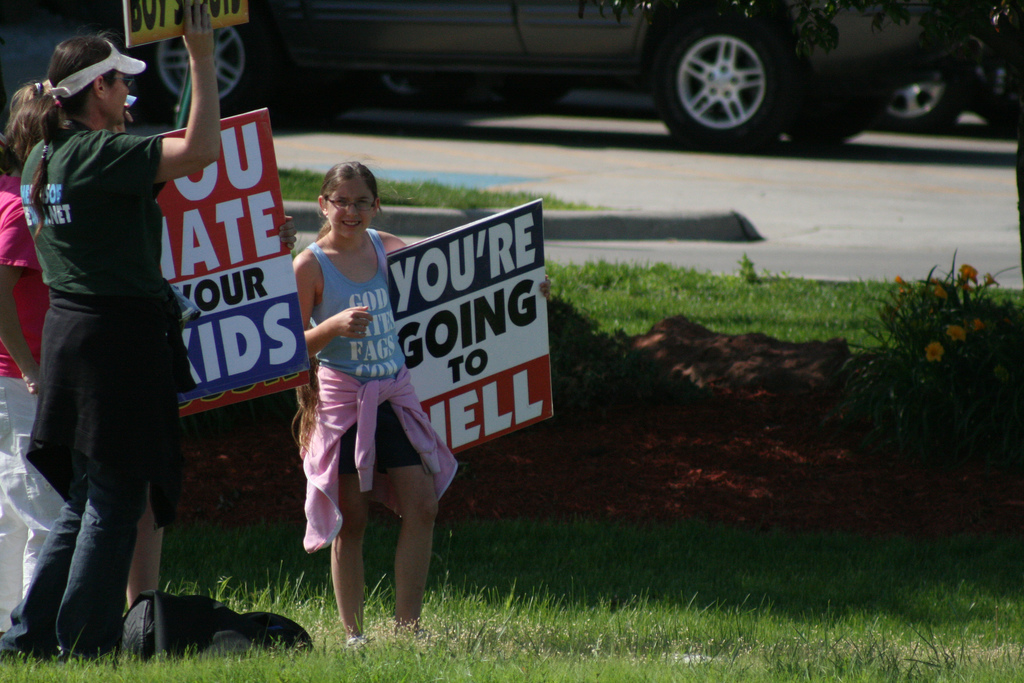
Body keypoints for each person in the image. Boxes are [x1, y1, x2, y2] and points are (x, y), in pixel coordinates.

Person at [0, 1, 230, 659]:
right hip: (113, 341)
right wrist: (204, 57)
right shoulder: (97, 153)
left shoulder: (45, 155)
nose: (131, 91)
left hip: (73, 338)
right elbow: (203, 149)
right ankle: (88, 640)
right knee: (115, 497)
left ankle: (28, 635)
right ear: (95, 90)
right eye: (121, 81)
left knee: (82, 499)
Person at [293, 162, 459, 646]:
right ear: (323, 204)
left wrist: (529, 290)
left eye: (361, 201)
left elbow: (450, 288)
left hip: (392, 395)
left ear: (376, 205)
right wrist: (331, 328)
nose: (350, 211)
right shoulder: (310, 264)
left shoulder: (386, 248)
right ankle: (354, 635)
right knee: (352, 517)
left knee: (423, 505)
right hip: (342, 402)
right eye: (340, 201)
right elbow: (286, 347)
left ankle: (408, 627)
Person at [0, 84, 64, 637]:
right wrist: (30, 368)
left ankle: (8, 623)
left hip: (11, 380)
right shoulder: (24, 208)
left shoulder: (7, 196)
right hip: (21, 380)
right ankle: (35, 635)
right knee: (44, 514)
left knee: (11, 516)